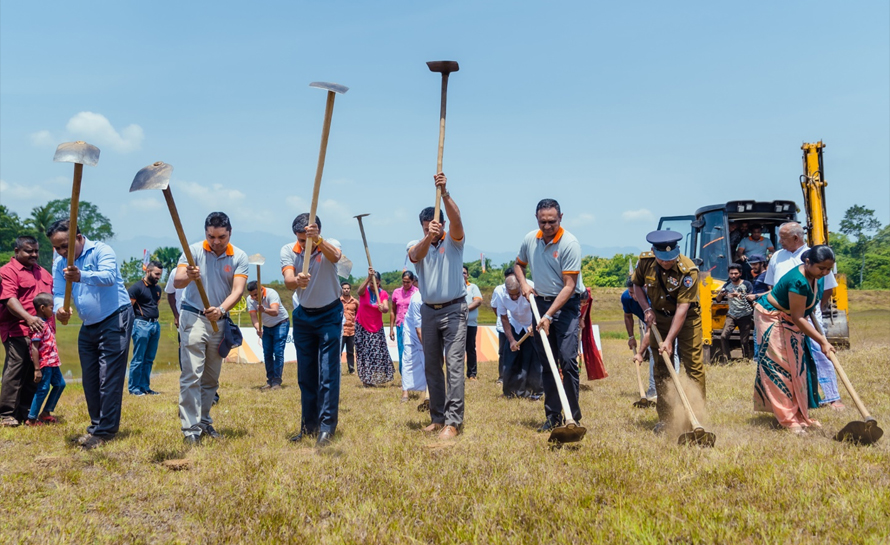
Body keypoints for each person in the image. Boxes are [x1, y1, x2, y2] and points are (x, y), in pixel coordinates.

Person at [48, 219, 133, 449]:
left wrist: (81, 275)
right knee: (91, 379)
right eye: (57, 248)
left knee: (109, 377)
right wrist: (60, 310)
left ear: (78, 236)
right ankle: (97, 425)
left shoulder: (102, 250)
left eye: (65, 246)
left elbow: (108, 277)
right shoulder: (59, 264)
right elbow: (57, 292)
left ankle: (105, 431)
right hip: (89, 324)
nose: (62, 252)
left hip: (115, 317)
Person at [174, 212, 248, 445]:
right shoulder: (192, 251)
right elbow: (177, 281)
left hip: (219, 321)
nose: (216, 242)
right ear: (205, 232)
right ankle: (190, 429)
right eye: (211, 236)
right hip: (193, 317)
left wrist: (221, 310)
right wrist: (189, 274)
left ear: (230, 233)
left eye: (221, 237)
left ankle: (204, 421)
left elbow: (237, 290)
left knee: (210, 378)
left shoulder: (239, 256)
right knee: (191, 375)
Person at [515, 198, 586, 436]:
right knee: (548, 363)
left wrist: (548, 315)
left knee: (567, 360)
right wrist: (524, 283)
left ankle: (572, 416)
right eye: (543, 221)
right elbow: (518, 265)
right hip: (540, 303)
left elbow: (569, 287)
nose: (547, 226)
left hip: (565, 306)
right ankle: (553, 416)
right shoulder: (529, 239)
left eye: (552, 221)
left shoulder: (569, 244)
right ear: (537, 219)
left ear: (561, 218)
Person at [753, 245, 837, 434]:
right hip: (771, 317)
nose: (824, 272)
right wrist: (823, 341)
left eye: (828, 269)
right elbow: (799, 318)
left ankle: (801, 416)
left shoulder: (817, 277)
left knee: (797, 367)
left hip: (792, 319)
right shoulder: (797, 281)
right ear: (807, 262)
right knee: (779, 368)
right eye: (821, 268)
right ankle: (788, 420)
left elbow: (806, 310)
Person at [408, 172, 466, 440]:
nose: (429, 231)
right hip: (428, 311)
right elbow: (414, 255)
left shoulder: (454, 242)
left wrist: (444, 192)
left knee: (454, 365)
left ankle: (453, 421)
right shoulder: (418, 245)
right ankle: (437, 416)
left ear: (441, 224)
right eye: (424, 227)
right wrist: (426, 238)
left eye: (433, 227)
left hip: (455, 310)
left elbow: (457, 220)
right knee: (432, 365)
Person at [631, 230, 705, 434]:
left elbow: (682, 308)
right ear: (654, 252)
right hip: (659, 318)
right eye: (663, 260)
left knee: (693, 366)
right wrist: (646, 309)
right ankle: (665, 418)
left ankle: (696, 417)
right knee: (662, 367)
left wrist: (670, 339)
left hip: (687, 318)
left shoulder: (688, 270)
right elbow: (637, 285)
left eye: (671, 259)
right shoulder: (645, 262)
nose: (667, 263)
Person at [764, 222, 843, 410]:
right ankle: (796, 400)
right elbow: (771, 286)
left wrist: (814, 307)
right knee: (790, 358)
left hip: (809, 314)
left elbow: (828, 288)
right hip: (783, 314)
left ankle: (833, 397)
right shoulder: (777, 256)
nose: (779, 241)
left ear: (795, 238)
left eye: (783, 238)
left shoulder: (819, 256)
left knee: (821, 352)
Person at [282, 213, 343, 448]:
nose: (303, 244)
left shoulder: (329, 245)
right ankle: (309, 426)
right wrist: (297, 280)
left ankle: (327, 428)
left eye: (306, 238)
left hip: (329, 314)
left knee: (328, 373)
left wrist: (317, 240)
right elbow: (288, 280)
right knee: (306, 375)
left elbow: (336, 257)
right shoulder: (289, 250)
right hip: (303, 316)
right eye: (300, 239)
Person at [0, 235, 53, 427]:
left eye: (36, 251)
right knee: (17, 369)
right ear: (16, 251)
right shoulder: (8, 271)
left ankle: (25, 413)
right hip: (18, 330)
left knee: (35, 372)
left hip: (43, 334)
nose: (34, 254)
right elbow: (9, 299)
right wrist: (29, 318)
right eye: (28, 251)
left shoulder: (44, 274)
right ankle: (6, 414)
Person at [25, 293, 65, 426]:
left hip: (53, 362)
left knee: (60, 384)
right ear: (42, 308)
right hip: (45, 363)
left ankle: (46, 413)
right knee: (43, 388)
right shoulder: (38, 325)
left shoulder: (48, 322)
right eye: (51, 307)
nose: (53, 310)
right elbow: (34, 348)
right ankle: (31, 419)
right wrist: (37, 369)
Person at [498, 275, 541, 399]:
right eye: (512, 295)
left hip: (533, 325)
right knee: (510, 358)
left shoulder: (531, 287)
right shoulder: (500, 294)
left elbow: (540, 309)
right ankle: (511, 392)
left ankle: (535, 392)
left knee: (533, 359)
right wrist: (511, 340)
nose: (515, 297)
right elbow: (504, 318)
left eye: (517, 293)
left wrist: (534, 324)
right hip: (515, 325)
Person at [127, 260, 163, 396]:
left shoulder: (158, 289)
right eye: (156, 274)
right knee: (138, 358)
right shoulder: (136, 288)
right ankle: (134, 388)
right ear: (148, 271)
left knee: (149, 358)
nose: (158, 277)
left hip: (155, 325)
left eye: (160, 275)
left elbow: (155, 305)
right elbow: (128, 309)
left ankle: (145, 387)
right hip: (141, 325)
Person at [247, 281, 290, 390]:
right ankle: (270, 381)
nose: (254, 297)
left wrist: (264, 310)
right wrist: (258, 328)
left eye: (256, 294)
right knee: (267, 353)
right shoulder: (250, 300)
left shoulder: (272, 294)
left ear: (261, 289)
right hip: (266, 326)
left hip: (281, 323)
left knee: (278, 352)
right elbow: (254, 317)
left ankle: (276, 382)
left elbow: (275, 312)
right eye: (251, 295)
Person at [354, 269, 393, 387]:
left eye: (375, 282)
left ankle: (376, 379)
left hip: (376, 327)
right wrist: (368, 278)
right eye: (371, 282)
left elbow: (386, 307)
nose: (373, 285)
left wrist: (383, 308)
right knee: (364, 352)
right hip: (362, 325)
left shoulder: (383, 293)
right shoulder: (364, 291)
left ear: (379, 282)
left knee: (377, 353)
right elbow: (359, 291)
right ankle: (366, 379)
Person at [622, 279, 656, 400]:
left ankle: (672, 387)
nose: (633, 296)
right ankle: (653, 389)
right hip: (647, 321)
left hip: (665, 322)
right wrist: (631, 337)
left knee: (670, 352)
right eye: (631, 292)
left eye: (635, 292)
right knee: (653, 351)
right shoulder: (626, 297)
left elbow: (650, 330)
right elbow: (627, 316)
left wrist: (640, 353)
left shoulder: (651, 299)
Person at [714, 264, 754, 362]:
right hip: (732, 315)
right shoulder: (727, 285)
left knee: (744, 340)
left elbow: (752, 298)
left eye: (735, 273)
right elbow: (718, 300)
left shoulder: (747, 284)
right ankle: (727, 358)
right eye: (731, 273)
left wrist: (741, 295)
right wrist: (720, 294)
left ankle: (746, 359)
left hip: (745, 315)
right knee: (724, 336)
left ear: (740, 273)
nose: (733, 275)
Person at [400, 282, 427, 399]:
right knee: (408, 362)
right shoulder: (417, 299)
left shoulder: (435, 297)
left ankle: (426, 392)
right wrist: (427, 347)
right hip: (412, 332)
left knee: (427, 363)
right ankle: (405, 392)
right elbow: (418, 329)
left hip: (426, 330)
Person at [389, 271, 417, 380]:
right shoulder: (396, 292)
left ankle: (413, 377)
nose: (405, 284)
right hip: (400, 325)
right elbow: (392, 311)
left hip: (412, 326)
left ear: (413, 281)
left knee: (411, 352)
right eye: (404, 282)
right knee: (401, 351)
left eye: (408, 282)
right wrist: (391, 329)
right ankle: (404, 377)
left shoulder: (416, 293)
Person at [490, 269, 514, 385]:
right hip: (503, 326)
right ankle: (502, 376)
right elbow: (494, 306)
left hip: (518, 324)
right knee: (503, 352)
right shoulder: (498, 290)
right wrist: (501, 317)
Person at [463, 266, 483, 380]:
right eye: (460, 273)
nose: (462, 275)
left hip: (470, 324)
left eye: (464, 273)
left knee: (470, 348)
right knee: (457, 350)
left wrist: (464, 309)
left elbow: (478, 301)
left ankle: (472, 374)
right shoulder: (454, 286)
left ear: (468, 275)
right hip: (457, 324)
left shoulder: (473, 287)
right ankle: (457, 374)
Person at [340, 281, 359, 375]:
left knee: (350, 351)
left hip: (352, 330)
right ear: (341, 289)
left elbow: (358, 314)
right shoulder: (338, 301)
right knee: (338, 351)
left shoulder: (355, 302)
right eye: (344, 288)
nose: (346, 290)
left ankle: (351, 369)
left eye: (348, 288)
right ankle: (337, 369)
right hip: (341, 330)